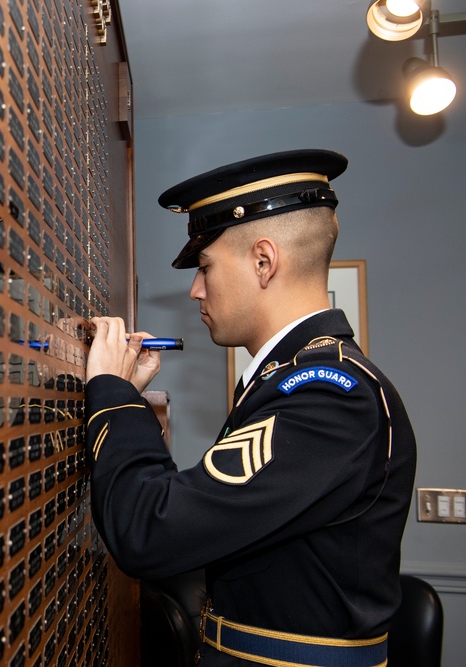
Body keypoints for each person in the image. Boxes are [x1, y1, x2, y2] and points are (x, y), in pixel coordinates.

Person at [84, 149, 416, 666]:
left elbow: (150, 530)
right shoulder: (291, 382)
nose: (196, 289)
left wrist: (110, 390)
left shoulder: (330, 396)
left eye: (205, 266)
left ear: (264, 261)